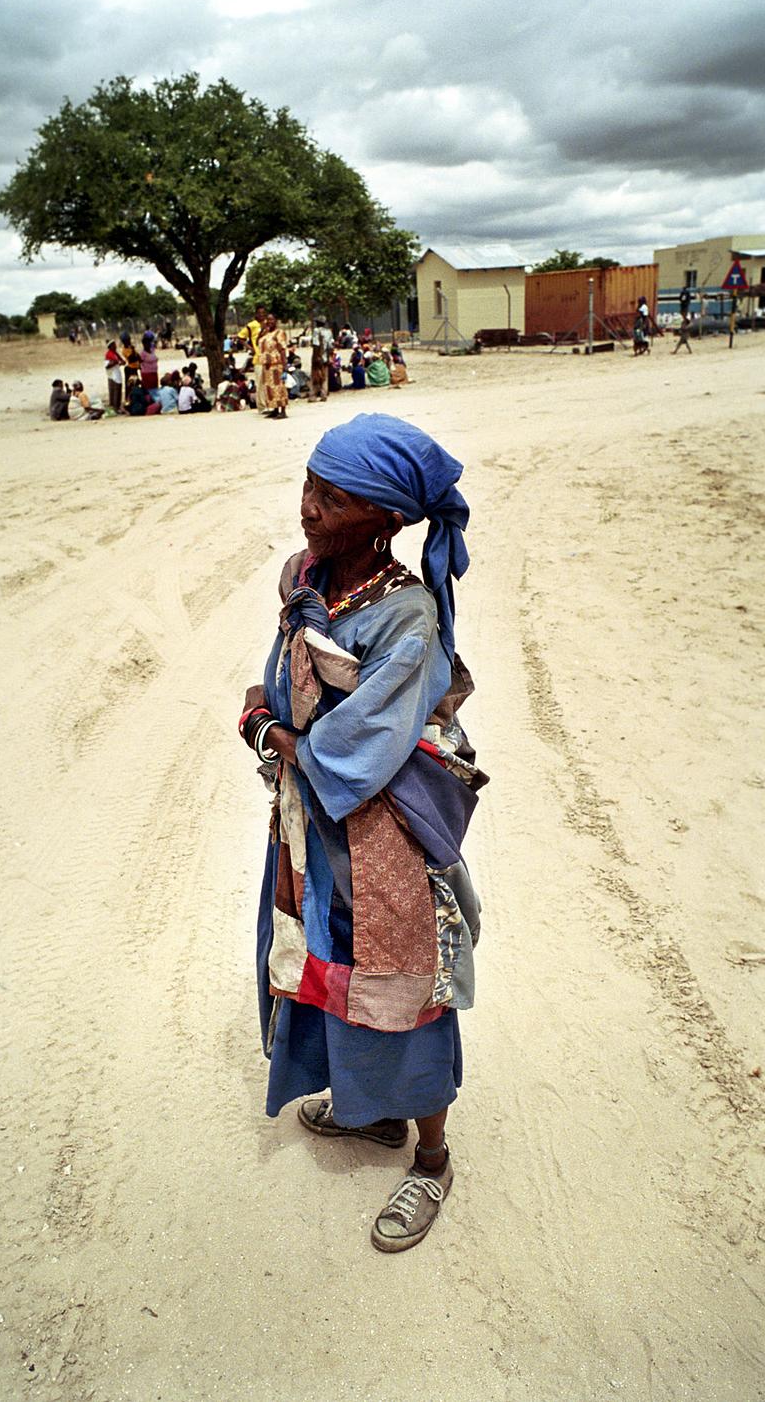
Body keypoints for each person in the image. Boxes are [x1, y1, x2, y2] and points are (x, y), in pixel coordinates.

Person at [239, 413, 484, 1253]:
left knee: (401, 979)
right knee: (324, 963)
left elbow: (359, 749)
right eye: (309, 486)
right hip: (315, 823)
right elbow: (283, 679)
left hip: (380, 834)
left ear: (384, 520)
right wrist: (270, 711)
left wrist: (272, 734)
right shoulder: (305, 579)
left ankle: (433, 1157)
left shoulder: (405, 619)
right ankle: (369, 1109)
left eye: (334, 499)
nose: (309, 508)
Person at [237, 305, 268, 411]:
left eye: (263, 313)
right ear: (256, 314)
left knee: (268, 382)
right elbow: (240, 337)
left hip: (268, 357)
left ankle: (269, 403)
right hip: (258, 357)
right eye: (259, 313)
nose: (262, 315)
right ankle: (262, 406)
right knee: (260, 382)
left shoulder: (268, 324)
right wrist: (251, 348)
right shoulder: (251, 325)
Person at [259, 312, 289, 420]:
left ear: (276, 320)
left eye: (272, 319)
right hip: (267, 366)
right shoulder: (266, 333)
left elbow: (282, 349)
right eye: (268, 319)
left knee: (279, 388)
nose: (269, 321)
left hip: (276, 365)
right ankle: (275, 409)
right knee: (269, 389)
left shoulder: (279, 333)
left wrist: (285, 366)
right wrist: (263, 330)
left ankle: (283, 410)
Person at [309, 319, 334, 402]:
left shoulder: (316, 331)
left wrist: (316, 357)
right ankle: (324, 394)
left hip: (318, 356)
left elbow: (316, 344)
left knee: (315, 376)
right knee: (324, 376)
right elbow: (331, 346)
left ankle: (313, 395)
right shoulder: (328, 332)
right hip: (325, 357)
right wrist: (329, 356)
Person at [104, 340, 125, 412]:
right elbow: (107, 366)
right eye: (114, 345)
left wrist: (121, 362)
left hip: (117, 374)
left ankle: (118, 406)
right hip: (112, 375)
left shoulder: (115, 353)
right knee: (114, 392)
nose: (115, 346)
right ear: (110, 346)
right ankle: (114, 407)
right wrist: (115, 362)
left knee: (118, 391)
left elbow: (122, 361)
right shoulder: (108, 354)